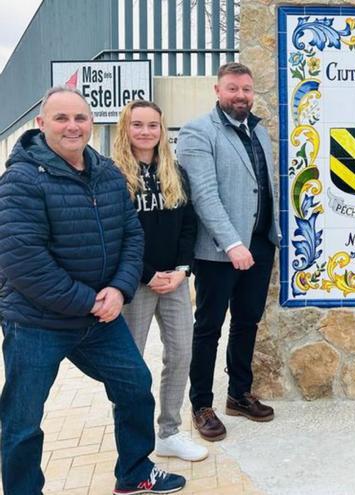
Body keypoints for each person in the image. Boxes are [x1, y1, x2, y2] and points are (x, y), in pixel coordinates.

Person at [0, 87, 185, 494]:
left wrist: (119, 290)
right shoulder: (21, 178)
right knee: (22, 420)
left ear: (91, 122)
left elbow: (131, 236)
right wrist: (90, 301)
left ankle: (135, 472)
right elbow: (23, 260)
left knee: (136, 387)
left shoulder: (105, 172)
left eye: (80, 118)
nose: (72, 126)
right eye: (61, 118)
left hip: (100, 318)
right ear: (41, 124)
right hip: (37, 323)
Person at [177, 62, 280, 441]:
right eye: (233, 89)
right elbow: (204, 195)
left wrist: (267, 236)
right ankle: (201, 404)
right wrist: (233, 243)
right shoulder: (197, 132)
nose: (241, 96)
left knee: (247, 322)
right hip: (219, 251)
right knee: (208, 328)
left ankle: (239, 394)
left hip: (260, 244)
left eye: (247, 90)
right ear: (218, 91)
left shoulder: (259, 131)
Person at [112, 100, 208, 461]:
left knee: (181, 353)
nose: (146, 132)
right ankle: (134, 443)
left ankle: (169, 432)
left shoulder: (174, 170)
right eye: (138, 124)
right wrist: (148, 273)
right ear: (126, 127)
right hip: (135, 282)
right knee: (132, 365)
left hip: (175, 280)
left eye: (153, 125)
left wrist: (182, 270)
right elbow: (115, 234)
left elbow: (188, 224)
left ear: (162, 130)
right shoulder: (113, 174)